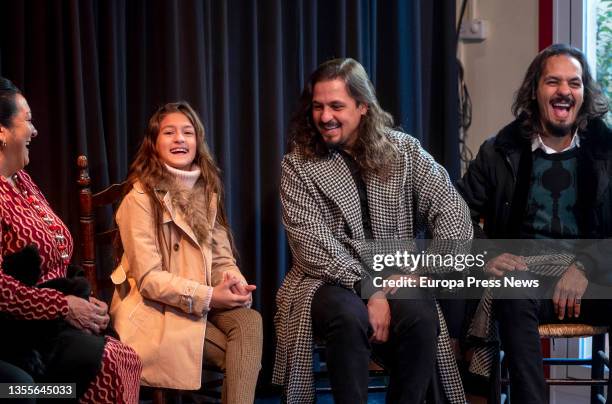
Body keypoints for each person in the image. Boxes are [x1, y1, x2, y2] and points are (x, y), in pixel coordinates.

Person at [272, 58, 473, 403]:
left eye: (336, 106)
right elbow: (312, 246)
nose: (324, 117)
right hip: (324, 280)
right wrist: (372, 290)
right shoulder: (298, 164)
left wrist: (420, 273)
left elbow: (453, 213)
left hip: (395, 272)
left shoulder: (404, 151)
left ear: (363, 106)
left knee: (421, 315)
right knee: (347, 316)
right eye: (318, 107)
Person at [457, 44, 612, 403]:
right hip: (528, 276)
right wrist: (486, 253)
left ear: (584, 94)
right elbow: (454, 212)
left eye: (574, 83)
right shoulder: (499, 151)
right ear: (535, 91)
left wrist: (585, 265)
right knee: (511, 290)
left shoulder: (606, 151)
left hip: (593, 278)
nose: (564, 91)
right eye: (553, 82)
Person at [0, 77, 142, 403]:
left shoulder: (23, 181)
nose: (35, 131)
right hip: (19, 332)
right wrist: (63, 306)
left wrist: (83, 301)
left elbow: (57, 257)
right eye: (28, 121)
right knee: (110, 363)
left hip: (51, 322)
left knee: (125, 358)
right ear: (2, 131)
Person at [110, 101, 263, 403]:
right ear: (154, 144)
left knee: (249, 321)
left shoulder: (205, 191)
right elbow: (151, 280)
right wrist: (209, 296)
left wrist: (233, 283)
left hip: (197, 304)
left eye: (188, 132)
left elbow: (221, 257)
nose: (180, 139)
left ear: (198, 142)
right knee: (241, 350)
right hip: (157, 312)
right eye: (169, 132)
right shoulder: (139, 198)